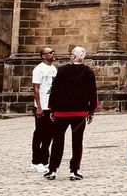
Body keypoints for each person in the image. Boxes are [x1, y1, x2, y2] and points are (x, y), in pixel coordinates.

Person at [45, 47, 98, 180]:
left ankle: (53, 170)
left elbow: (55, 90)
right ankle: (74, 170)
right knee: (77, 142)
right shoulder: (89, 72)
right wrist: (91, 110)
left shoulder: (62, 71)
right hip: (79, 113)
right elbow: (93, 93)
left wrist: (52, 108)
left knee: (57, 141)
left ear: (73, 56)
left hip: (62, 112)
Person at [31, 46, 57, 173]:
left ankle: (45, 160)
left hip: (51, 107)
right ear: (43, 56)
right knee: (39, 134)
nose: (53, 54)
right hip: (42, 107)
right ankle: (35, 161)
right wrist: (39, 107)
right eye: (50, 53)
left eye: (53, 52)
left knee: (49, 135)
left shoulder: (53, 68)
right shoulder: (38, 69)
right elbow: (36, 89)